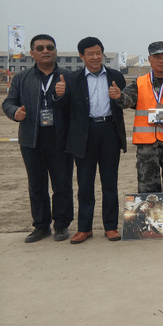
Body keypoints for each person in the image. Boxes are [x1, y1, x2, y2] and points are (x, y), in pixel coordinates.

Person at [55, 36, 127, 243]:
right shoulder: (71, 79)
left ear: (103, 53)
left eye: (98, 53)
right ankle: (84, 228)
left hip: (109, 132)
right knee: (85, 183)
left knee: (110, 183)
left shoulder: (116, 76)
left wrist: (119, 97)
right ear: (81, 56)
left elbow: (126, 102)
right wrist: (58, 95)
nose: (95, 57)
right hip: (83, 134)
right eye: (90, 54)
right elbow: (62, 110)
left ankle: (111, 226)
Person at [2, 34, 73, 243]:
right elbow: (8, 102)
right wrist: (14, 112)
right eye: (40, 48)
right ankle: (41, 227)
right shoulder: (21, 78)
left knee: (62, 185)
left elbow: (78, 107)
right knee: (36, 185)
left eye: (49, 47)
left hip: (60, 139)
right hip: (31, 140)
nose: (45, 51)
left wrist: (63, 96)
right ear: (32, 53)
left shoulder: (69, 77)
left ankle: (61, 225)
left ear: (56, 51)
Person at [116, 41, 163, 194]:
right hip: (147, 145)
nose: (162, 61)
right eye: (157, 57)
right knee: (148, 189)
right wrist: (119, 96)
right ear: (149, 59)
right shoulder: (139, 83)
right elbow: (127, 100)